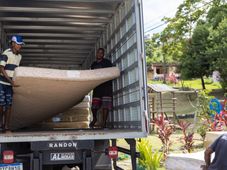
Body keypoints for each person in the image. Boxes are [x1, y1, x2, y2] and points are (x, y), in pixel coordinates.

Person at [0, 35, 24, 132]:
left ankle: (7, 127)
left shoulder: (19, 57)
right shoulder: (6, 53)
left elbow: (16, 71)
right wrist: (11, 82)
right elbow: (1, 68)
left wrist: (14, 82)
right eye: (18, 44)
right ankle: (1, 125)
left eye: (21, 45)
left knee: (9, 105)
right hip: (1, 83)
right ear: (13, 44)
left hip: (10, 85)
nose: (20, 46)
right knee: (1, 104)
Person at [89, 48, 113, 128]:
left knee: (105, 106)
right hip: (97, 87)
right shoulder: (93, 64)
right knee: (94, 106)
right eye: (98, 53)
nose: (99, 54)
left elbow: (111, 72)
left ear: (103, 54)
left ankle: (104, 123)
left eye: (101, 53)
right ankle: (95, 119)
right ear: (96, 54)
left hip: (106, 87)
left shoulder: (107, 62)